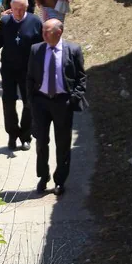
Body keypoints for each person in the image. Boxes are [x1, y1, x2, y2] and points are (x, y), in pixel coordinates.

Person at [28, 19, 86, 195]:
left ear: (59, 32)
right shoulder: (36, 49)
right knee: (41, 142)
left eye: (47, 32)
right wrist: (31, 101)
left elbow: (81, 77)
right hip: (41, 102)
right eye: (43, 31)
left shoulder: (73, 50)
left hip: (63, 102)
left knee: (62, 143)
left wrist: (73, 99)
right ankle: (43, 177)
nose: (43, 35)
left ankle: (60, 180)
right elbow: (30, 77)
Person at [0, 0, 43, 151]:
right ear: (10, 8)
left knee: (28, 103)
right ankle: (12, 135)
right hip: (8, 68)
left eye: (21, 9)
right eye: (15, 9)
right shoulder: (5, 21)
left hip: (28, 70)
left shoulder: (35, 21)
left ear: (26, 7)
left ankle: (25, 136)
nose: (18, 13)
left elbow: (41, 45)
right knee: (8, 101)